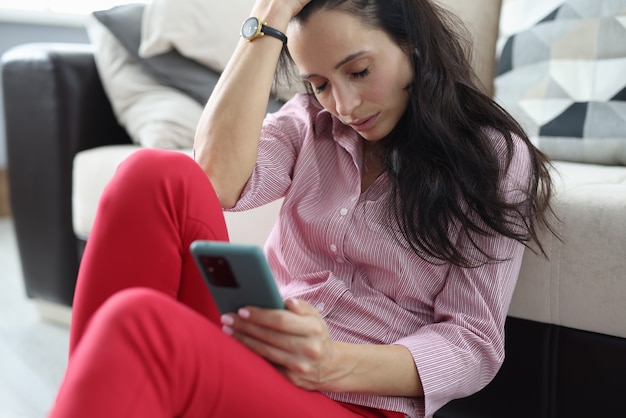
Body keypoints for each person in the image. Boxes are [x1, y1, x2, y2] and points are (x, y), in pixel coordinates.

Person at [48, 0, 556, 417]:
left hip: (351, 403)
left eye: (359, 71)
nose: (345, 105)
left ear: (414, 45)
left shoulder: (494, 157)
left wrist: (330, 363)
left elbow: (473, 344)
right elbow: (214, 180)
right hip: (254, 359)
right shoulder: (311, 124)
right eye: (319, 83)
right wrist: (268, 18)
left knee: (140, 323)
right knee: (152, 174)